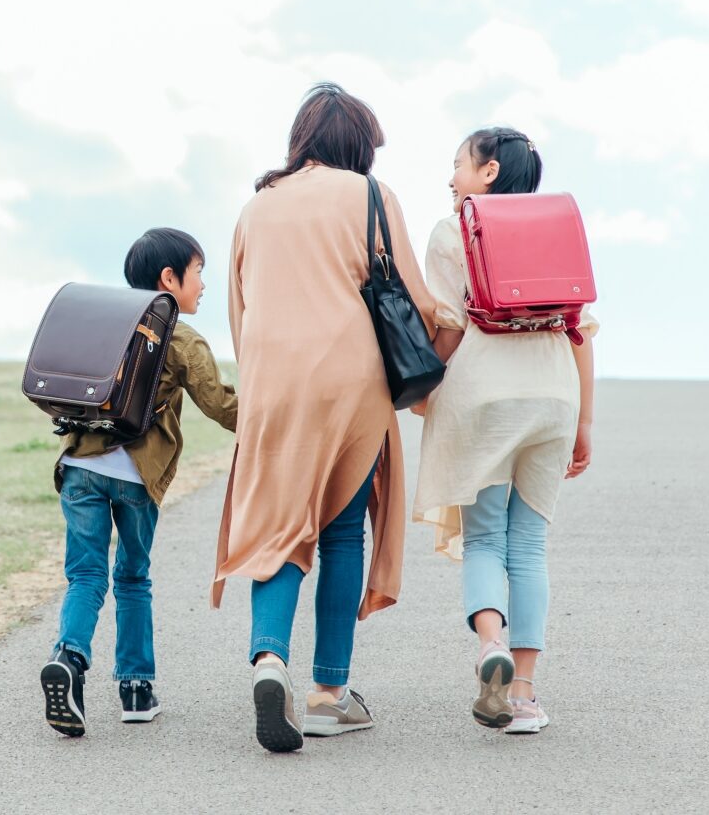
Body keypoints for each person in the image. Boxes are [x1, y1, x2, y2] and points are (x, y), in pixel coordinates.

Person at [212, 82, 435, 753]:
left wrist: (258, 388)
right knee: (341, 533)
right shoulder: (371, 194)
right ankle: (329, 694)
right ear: (359, 143)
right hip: (350, 381)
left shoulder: (257, 206)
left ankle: (269, 661)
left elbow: (239, 309)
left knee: (278, 528)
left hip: (274, 378)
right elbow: (415, 298)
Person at [413, 126, 598, 735]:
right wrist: (585, 421)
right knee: (532, 546)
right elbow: (580, 333)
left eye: (458, 164)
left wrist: (423, 388)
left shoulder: (455, 230)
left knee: (486, 539)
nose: (451, 178)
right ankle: (523, 693)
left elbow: (446, 325)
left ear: (488, 172)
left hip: (483, 396)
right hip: (553, 395)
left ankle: (489, 644)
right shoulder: (557, 231)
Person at [41, 228, 238, 737]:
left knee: (85, 577)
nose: (203, 286)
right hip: (135, 476)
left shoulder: (106, 323)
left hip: (81, 467)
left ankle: (69, 658)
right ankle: (136, 689)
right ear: (169, 278)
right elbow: (222, 407)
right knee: (132, 578)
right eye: (199, 273)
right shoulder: (182, 337)